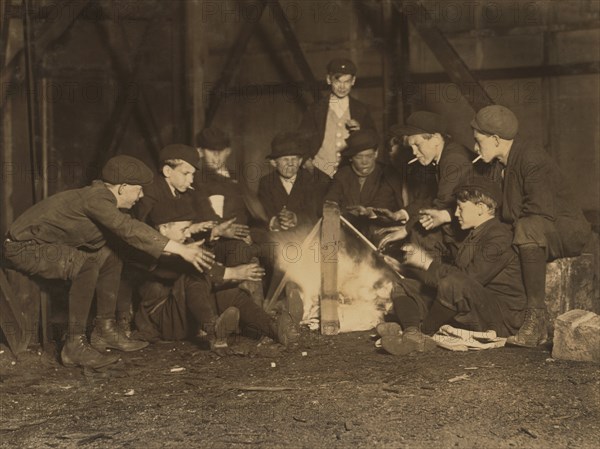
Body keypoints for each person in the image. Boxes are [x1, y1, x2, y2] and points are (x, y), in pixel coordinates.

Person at [2, 155, 214, 369]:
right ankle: (74, 345)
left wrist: (173, 253)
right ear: (122, 187)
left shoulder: (105, 200)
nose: (141, 196)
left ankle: (104, 330)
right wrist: (180, 249)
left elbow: (129, 239)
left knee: (112, 254)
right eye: (138, 189)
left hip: (44, 246)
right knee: (85, 264)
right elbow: (128, 229)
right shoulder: (96, 199)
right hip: (23, 248)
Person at [470, 105, 592, 347]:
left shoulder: (531, 157)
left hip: (566, 229)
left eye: (478, 141)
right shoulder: (498, 166)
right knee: (500, 233)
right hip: (539, 226)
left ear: (495, 140)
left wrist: (505, 227)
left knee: (527, 228)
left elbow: (539, 210)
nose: (475, 147)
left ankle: (536, 319)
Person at [380, 176, 527, 355]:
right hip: (473, 303)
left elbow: (466, 279)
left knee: (452, 283)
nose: (456, 213)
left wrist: (426, 262)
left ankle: (424, 333)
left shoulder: (499, 237)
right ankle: (412, 332)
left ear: (481, 208)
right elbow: (450, 277)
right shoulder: (473, 235)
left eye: (461, 208)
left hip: (500, 316)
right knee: (405, 285)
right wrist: (406, 268)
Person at [134, 202, 299, 350]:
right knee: (194, 275)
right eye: (183, 229)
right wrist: (232, 272)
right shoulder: (151, 250)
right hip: (165, 320)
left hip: (188, 315)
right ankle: (213, 328)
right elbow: (178, 269)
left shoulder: (183, 243)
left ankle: (274, 328)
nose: (186, 234)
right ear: (163, 229)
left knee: (231, 294)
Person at [380, 111, 479, 259]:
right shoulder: (441, 156)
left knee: (420, 240)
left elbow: (441, 205)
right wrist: (401, 214)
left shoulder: (453, 160)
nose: (414, 152)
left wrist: (406, 230)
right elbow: (429, 198)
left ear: (436, 139)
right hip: (459, 225)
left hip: (473, 236)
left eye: (417, 145)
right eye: (412, 147)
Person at [299, 58, 376, 179]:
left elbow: (373, 138)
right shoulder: (315, 109)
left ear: (353, 81)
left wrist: (360, 131)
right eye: (338, 81)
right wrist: (307, 163)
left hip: (349, 172)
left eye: (347, 81)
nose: (342, 86)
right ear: (329, 79)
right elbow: (302, 138)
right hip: (319, 171)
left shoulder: (361, 109)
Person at [324, 129, 400, 240]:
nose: (364, 162)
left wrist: (365, 212)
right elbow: (330, 201)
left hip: (378, 233)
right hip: (346, 233)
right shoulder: (342, 175)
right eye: (359, 157)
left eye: (369, 156)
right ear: (350, 158)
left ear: (376, 154)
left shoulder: (387, 174)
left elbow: (382, 204)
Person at [258, 131, 319, 234]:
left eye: (294, 159)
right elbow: (263, 214)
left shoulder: (310, 181)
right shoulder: (266, 183)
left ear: (300, 161)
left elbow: (315, 214)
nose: (290, 164)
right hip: (277, 237)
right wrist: (275, 221)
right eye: (285, 159)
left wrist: (296, 218)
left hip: (304, 236)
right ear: (273, 163)